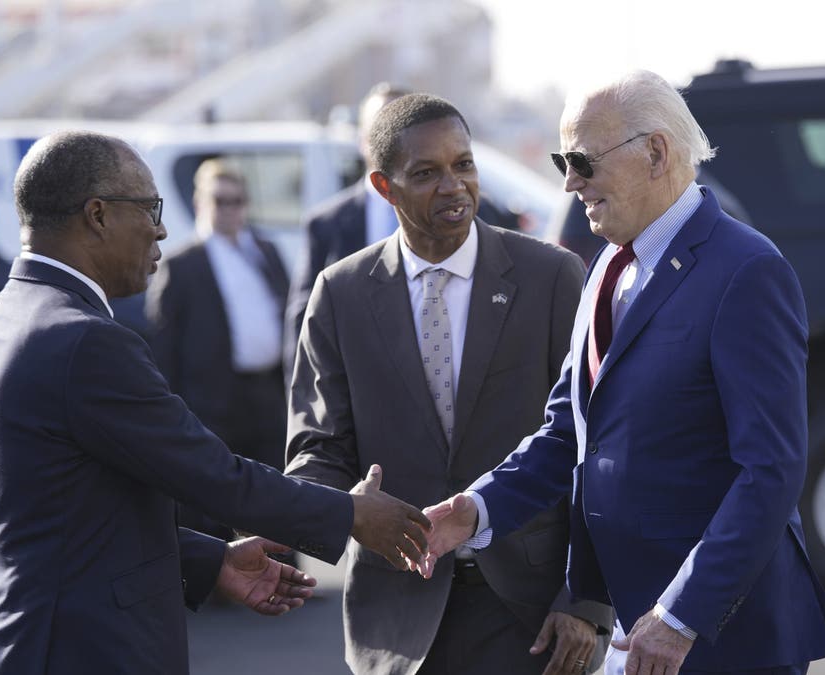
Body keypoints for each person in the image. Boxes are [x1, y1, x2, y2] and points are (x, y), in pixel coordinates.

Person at [418, 71, 825, 674]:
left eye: (582, 161)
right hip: (635, 621)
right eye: (561, 161)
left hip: (720, 634)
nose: (570, 182)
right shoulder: (605, 269)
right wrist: (477, 508)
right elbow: (568, 432)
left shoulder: (747, 271)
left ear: (655, 152)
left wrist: (682, 615)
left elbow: (771, 471)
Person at [0, 130, 431, 675]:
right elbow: (215, 476)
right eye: (149, 207)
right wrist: (350, 513)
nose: (160, 227)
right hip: (75, 650)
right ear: (98, 215)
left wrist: (210, 561)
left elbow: (71, 517)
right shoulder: (84, 341)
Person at [285, 93, 612, 675]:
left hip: (531, 615)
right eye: (427, 173)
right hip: (397, 619)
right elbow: (317, 449)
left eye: (463, 164)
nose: (454, 186)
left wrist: (585, 602)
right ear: (385, 188)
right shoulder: (340, 293)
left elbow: (599, 446)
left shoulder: (551, 276)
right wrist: (339, 507)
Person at [284, 82, 517, 345]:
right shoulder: (327, 225)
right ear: (363, 140)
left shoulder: (477, 209)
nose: (450, 187)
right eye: (381, 128)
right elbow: (305, 321)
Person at [146, 159, 289, 541]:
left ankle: (279, 564)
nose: (229, 209)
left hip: (265, 392)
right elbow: (163, 345)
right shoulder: (182, 264)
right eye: (220, 200)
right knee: (212, 487)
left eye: (237, 200)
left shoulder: (265, 251)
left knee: (271, 480)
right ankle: (218, 575)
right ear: (199, 203)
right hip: (208, 398)